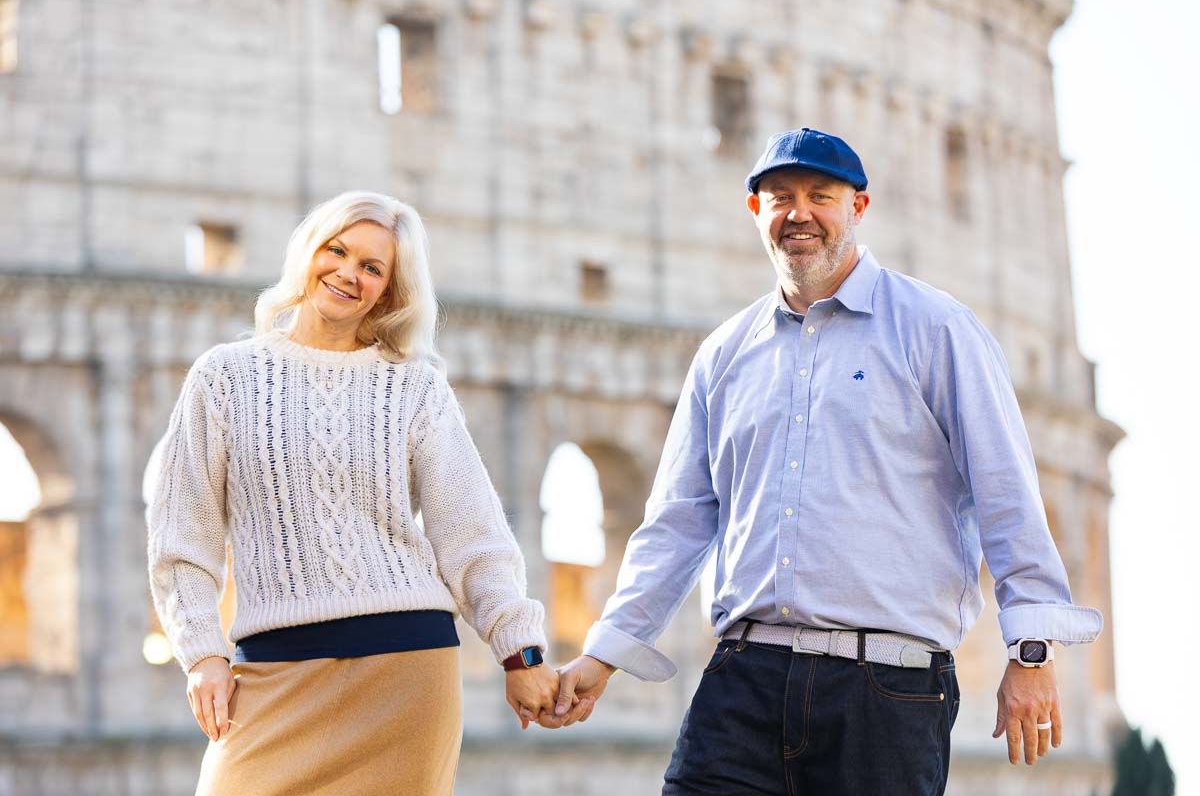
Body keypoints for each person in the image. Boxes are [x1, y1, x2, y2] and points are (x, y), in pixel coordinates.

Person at [543, 129, 1103, 795]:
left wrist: (1032, 653)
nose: (798, 213)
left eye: (820, 196)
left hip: (887, 692)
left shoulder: (936, 329)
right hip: (742, 679)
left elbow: (1006, 491)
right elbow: (678, 523)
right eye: (780, 198)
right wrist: (605, 653)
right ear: (757, 213)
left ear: (858, 207)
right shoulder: (724, 356)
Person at [147, 191, 559, 795]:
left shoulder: (415, 387)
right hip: (272, 668)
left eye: (372, 267)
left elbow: (470, 533)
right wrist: (203, 653)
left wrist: (518, 652)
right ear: (307, 252)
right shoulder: (223, 377)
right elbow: (184, 532)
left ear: (391, 291)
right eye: (336, 251)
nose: (347, 273)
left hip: (406, 668)